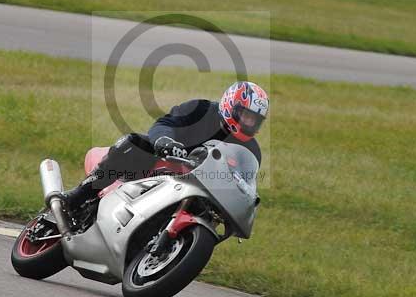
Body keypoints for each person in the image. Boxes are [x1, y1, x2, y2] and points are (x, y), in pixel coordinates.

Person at [61, 81, 269, 212]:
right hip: (164, 165)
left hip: (202, 189)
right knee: (135, 143)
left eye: (254, 120)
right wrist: (165, 142)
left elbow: (245, 181)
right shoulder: (201, 110)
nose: (248, 123)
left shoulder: (251, 150)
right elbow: (166, 123)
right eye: (245, 115)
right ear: (230, 105)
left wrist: (246, 200)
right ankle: (81, 194)